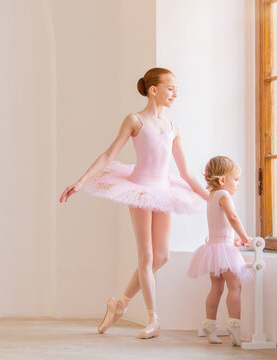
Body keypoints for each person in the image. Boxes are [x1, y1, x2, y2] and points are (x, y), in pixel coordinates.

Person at [59, 68, 208, 339]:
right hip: (139, 190)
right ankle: (154, 320)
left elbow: (185, 172)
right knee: (147, 256)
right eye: (171, 88)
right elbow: (108, 154)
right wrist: (81, 182)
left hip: (164, 191)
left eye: (176, 88)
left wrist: (211, 198)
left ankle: (120, 303)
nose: (176, 93)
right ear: (154, 90)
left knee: (162, 256)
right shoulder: (135, 120)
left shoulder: (174, 128)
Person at [187, 156, 252, 346]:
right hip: (224, 249)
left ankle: (210, 325)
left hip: (214, 248)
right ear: (223, 180)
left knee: (216, 288)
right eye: (236, 179)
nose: (238, 184)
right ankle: (235, 325)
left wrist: (235, 239)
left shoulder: (212, 196)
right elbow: (232, 218)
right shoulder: (224, 195)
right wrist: (246, 238)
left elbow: (220, 226)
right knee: (236, 286)